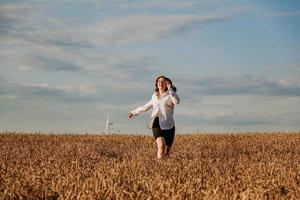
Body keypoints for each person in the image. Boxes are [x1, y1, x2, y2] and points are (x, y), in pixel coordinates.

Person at [128, 75, 180, 159]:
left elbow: (176, 102)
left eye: (163, 81)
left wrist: (170, 89)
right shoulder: (154, 96)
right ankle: (159, 166)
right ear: (156, 84)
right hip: (156, 122)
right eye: (159, 81)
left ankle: (165, 165)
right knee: (161, 145)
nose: (160, 83)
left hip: (169, 125)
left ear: (167, 84)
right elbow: (146, 106)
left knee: (166, 151)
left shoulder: (170, 95)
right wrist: (134, 112)